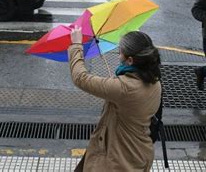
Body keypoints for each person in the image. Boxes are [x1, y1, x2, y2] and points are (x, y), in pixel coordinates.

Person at [68, 28, 162, 172]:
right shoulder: (154, 80)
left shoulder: (123, 88)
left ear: (130, 60)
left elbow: (80, 78)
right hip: (140, 151)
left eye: (120, 52)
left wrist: (76, 45)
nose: (119, 56)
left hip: (118, 159)